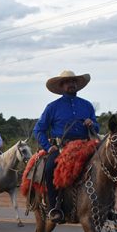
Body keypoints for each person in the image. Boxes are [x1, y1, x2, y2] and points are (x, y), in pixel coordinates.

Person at [33, 69, 100, 223]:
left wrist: (92, 124)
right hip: (61, 147)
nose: (71, 84)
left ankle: (107, 206)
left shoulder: (87, 105)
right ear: (62, 86)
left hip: (85, 145)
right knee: (49, 168)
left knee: (106, 164)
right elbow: (38, 130)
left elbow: (96, 128)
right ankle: (53, 207)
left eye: (73, 81)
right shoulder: (52, 107)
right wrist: (48, 147)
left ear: (77, 85)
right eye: (68, 82)